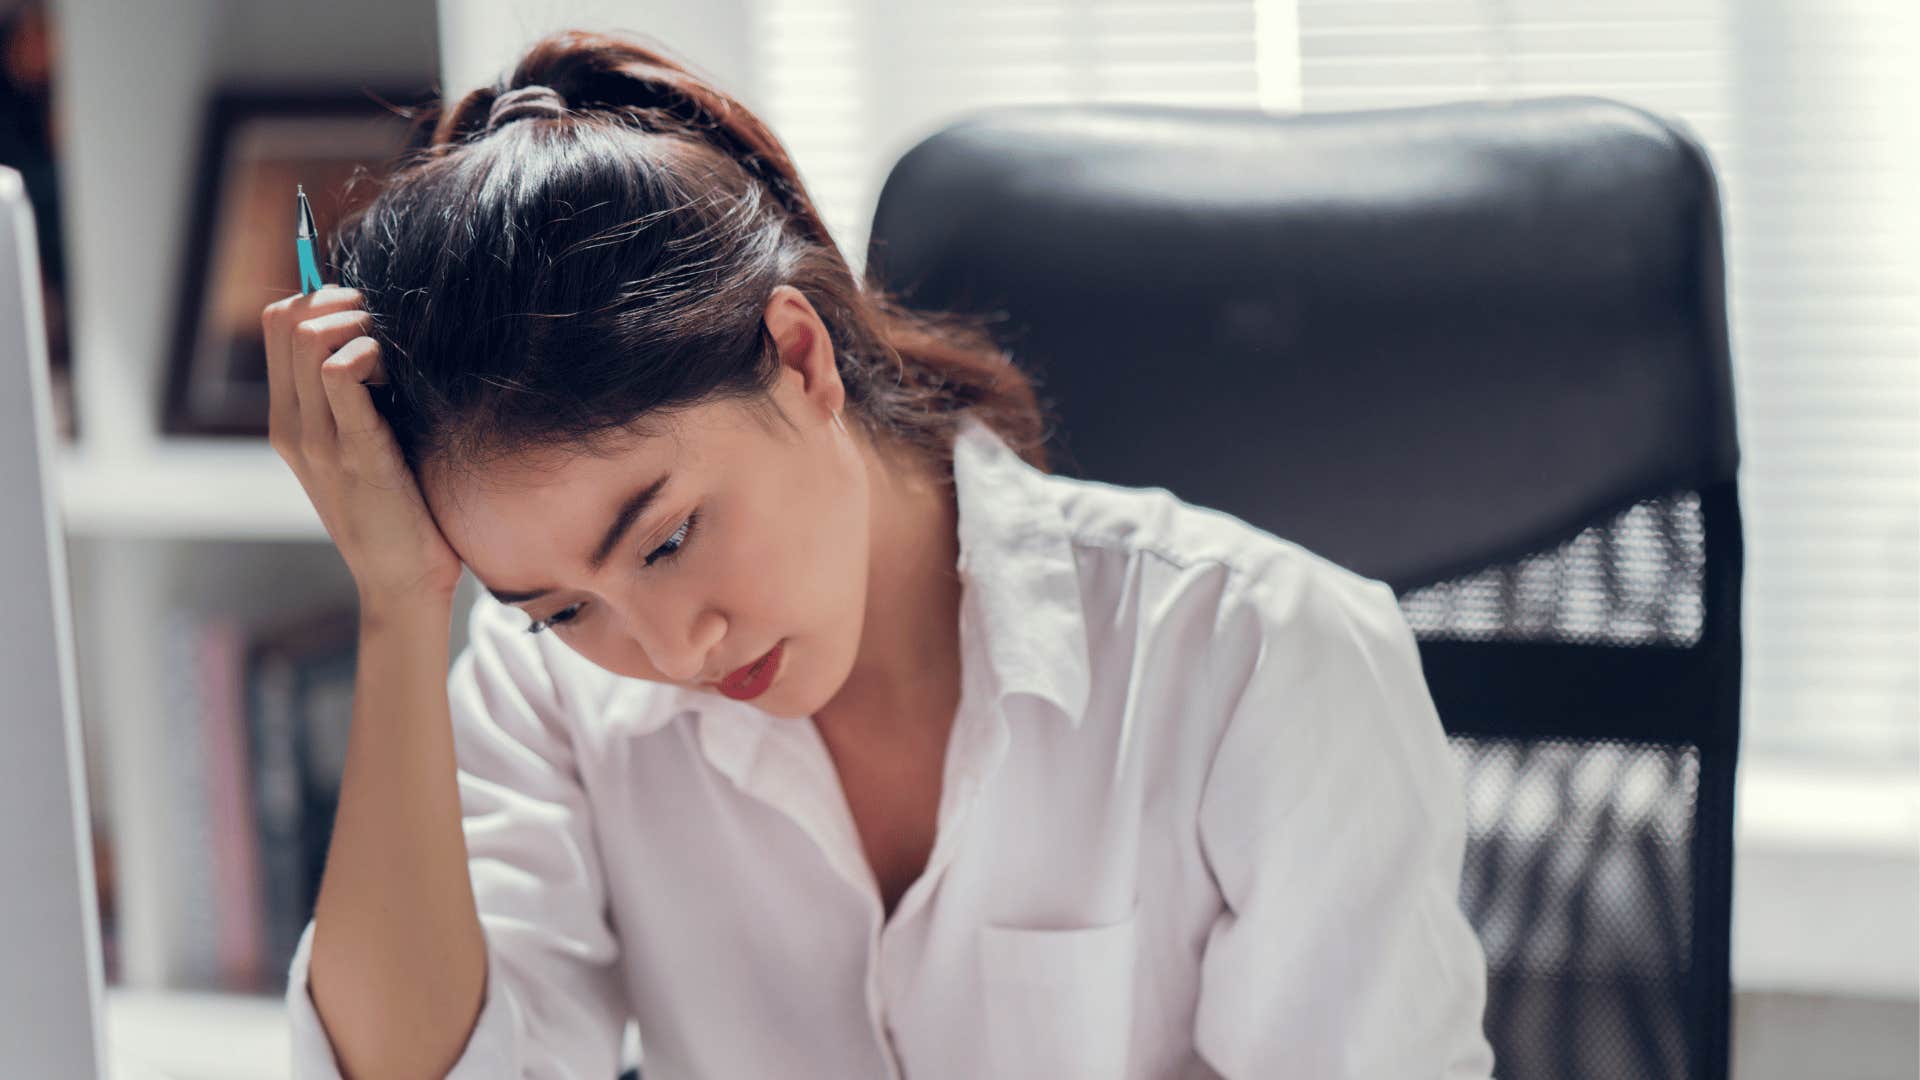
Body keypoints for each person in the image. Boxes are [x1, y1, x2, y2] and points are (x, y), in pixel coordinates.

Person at [260, 26, 1496, 1080]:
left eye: (669, 539)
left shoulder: (1258, 659)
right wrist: (397, 604)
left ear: (799, 361)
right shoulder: (553, 691)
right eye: (562, 609)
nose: (666, 647)